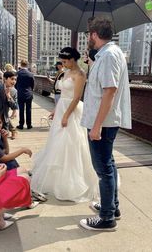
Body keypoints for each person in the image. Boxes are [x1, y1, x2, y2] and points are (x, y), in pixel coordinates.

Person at [80, 17, 131, 232]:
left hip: (102, 122)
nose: (87, 39)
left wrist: (97, 126)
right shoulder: (107, 54)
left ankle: (107, 217)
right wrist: (92, 63)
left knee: (103, 170)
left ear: (94, 35)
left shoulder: (109, 55)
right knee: (108, 164)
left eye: (88, 35)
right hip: (104, 121)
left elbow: (109, 91)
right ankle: (113, 207)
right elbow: (104, 84)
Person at [31, 47, 99, 202]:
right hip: (62, 107)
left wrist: (66, 115)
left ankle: (73, 181)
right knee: (57, 143)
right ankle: (57, 178)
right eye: (62, 61)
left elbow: (76, 98)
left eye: (65, 61)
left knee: (72, 144)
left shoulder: (80, 74)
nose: (63, 63)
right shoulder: (66, 72)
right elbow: (62, 94)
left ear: (73, 59)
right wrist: (56, 110)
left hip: (72, 111)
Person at [16, 59, 35, 130]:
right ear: (27, 65)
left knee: (21, 109)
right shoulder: (30, 74)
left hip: (20, 93)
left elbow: (15, 83)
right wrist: (30, 90)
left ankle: (21, 124)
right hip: (28, 94)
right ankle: (29, 125)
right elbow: (32, 84)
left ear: (20, 64)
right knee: (28, 109)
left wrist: (18, 89)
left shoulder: (18, 73)